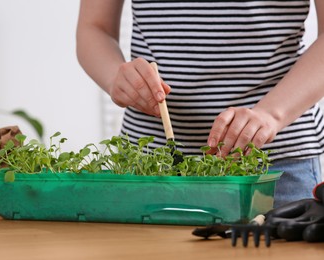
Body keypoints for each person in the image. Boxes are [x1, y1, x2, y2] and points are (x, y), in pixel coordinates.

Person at [76, 0, 324, 207]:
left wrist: (271, 114)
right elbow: (94, 28)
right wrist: (114, 77)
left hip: (275, 168)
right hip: (149, 166)